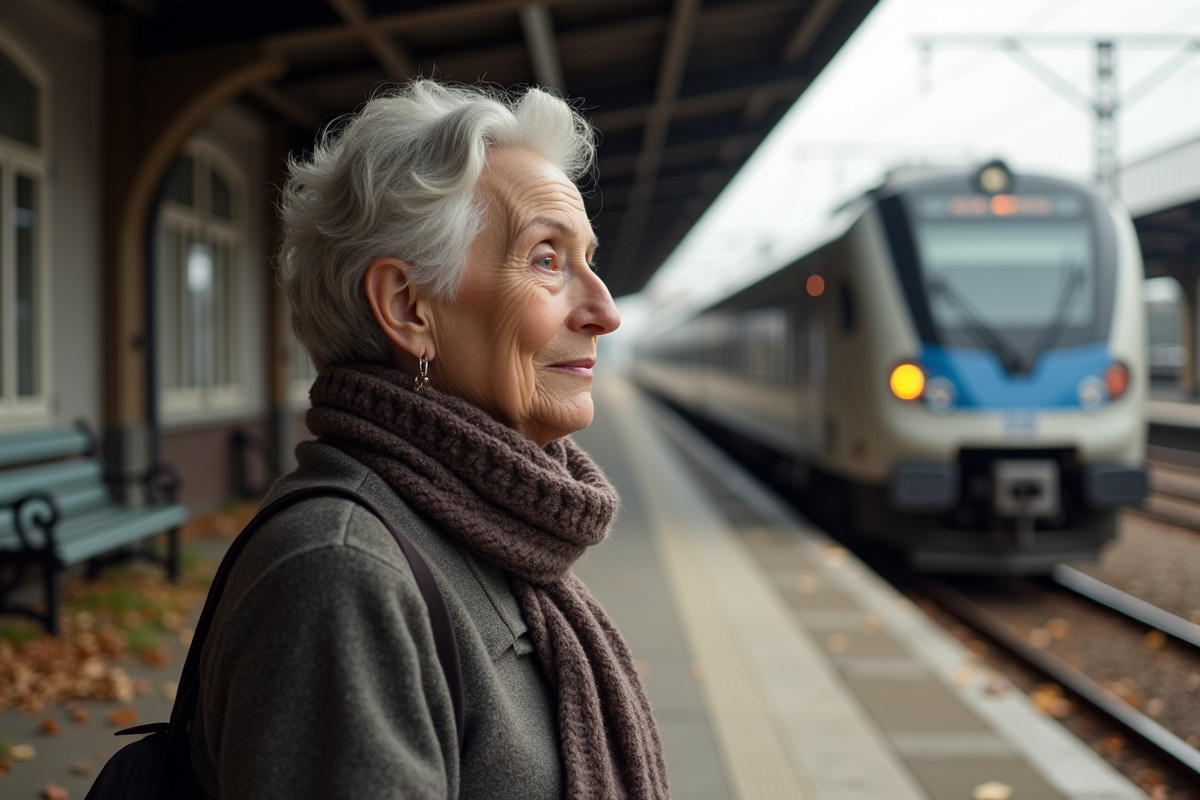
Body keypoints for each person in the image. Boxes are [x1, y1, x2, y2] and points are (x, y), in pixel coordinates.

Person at [189, 80, 669, 800]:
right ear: (409, 307)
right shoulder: (343, 575)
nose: (604, 310)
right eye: (546, 258)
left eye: (588, 260)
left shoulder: (488, 523)